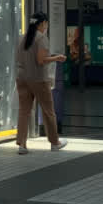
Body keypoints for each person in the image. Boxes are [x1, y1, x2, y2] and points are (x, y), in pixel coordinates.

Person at [14, 12, 68, 154]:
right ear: (43, 23)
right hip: (38, 79)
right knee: (48, 111)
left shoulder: (21, 38)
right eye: (46, 24)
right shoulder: (41, 38)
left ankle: (22, 145)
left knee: (24, 111)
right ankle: (55, 143)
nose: (46, 27)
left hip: (22, 79)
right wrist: (57, 58)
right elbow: (41, 60)